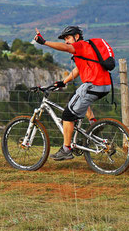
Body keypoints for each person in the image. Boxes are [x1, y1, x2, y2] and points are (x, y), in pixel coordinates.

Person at [33, 25, 112, 161]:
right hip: (104, 86)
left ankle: (66, 149)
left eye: (68, 38)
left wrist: (44, 42)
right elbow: (78, 70)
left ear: (76, 37)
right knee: (75, 96)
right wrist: (64, 82)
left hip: (93, 86)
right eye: (65, 39)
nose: (66, 41)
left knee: (67, 115)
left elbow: (66, 48)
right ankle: (93, 123)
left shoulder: (80, 45)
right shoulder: (87, 48)